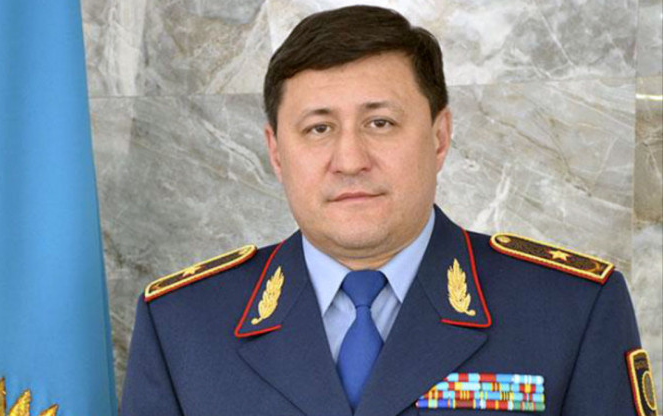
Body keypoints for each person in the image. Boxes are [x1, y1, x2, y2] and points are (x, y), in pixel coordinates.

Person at [121, 6, 657, 416]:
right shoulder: (183, 325)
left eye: (380, 123)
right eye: (318, 128)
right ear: (277, 153)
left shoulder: (571, 311)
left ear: (439, 136)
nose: (350, 160)